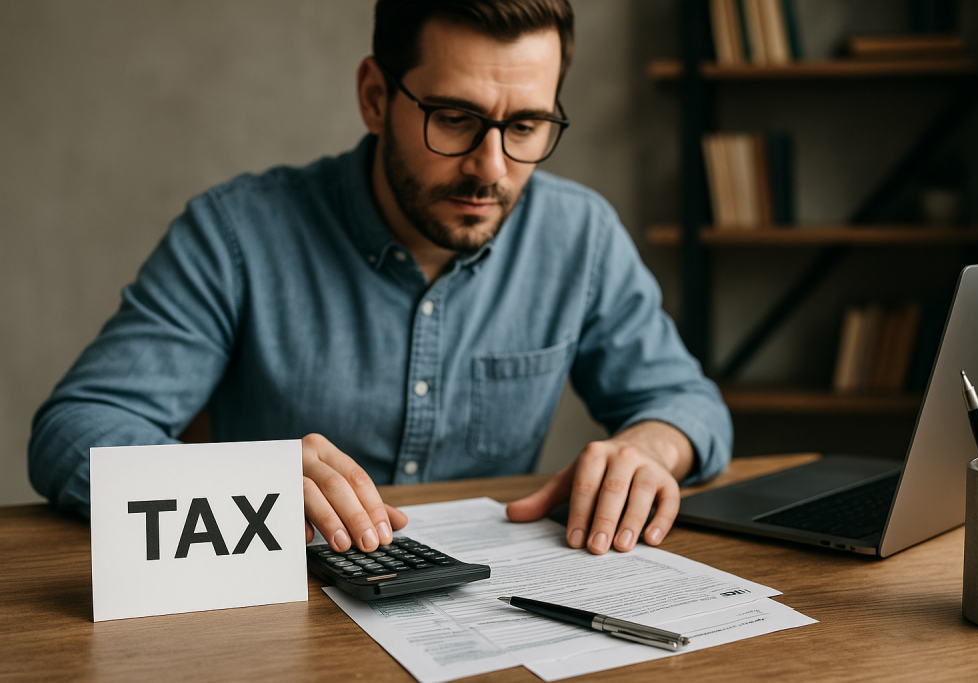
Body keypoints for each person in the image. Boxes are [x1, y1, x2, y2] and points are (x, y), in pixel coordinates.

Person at [28, 0, 732, 557]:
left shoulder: (579, 235)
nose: (491, 167)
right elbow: (74, 431)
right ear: (374, 96)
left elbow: (685, 400)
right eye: (454, 119)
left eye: (525, 126)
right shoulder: (235, 234)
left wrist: (650, 446)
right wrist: (241, 482)